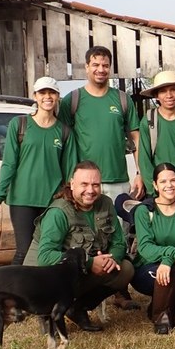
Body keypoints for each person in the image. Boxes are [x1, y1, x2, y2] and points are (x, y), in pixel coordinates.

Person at [58, 45, 143, 310]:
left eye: (105, 65)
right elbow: (61, 137)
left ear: (110, 67)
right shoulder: (72, 100)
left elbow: (137, 137)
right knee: (85, 236)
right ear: (87, 67)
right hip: (85, 184)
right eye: (95, 64)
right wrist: (69, 180)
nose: (100, 69)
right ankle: (83, 291)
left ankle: (119, 291)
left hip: (118, 178)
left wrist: (139, 173)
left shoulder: (122, 100)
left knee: (118, 236)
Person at [23, 160, 133, 332]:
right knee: (49, 287)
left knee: (125, 269)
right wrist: (90, 263)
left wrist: (112, 259)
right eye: (84, 184)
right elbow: (44, 257)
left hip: (74, 270)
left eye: (95, 184)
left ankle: (77, 308)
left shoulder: (105, 203)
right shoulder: (58, 212)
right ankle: (47, 312)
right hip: (44, 275)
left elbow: (119, 242)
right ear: (72, 184)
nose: (90, 190)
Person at [0, 76, 76, 264]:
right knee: (24, 251)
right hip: (22, 200)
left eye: (51, 92)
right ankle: (13, 292)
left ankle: (44, 292)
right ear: (35, 96)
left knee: (49, 250)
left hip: (52, 200)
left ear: (58, 96)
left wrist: (70, 198)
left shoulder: (64, 131)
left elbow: (70, 170)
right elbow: (9, 164)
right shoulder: (19, 125)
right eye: (42, 93)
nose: (47, 97)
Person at [131, 163, 175, 334]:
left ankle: (161, 302)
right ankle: (160, 317)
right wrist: (173, 253)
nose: (169, 185)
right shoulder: (144, 211)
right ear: (155, 185)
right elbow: (146, 247)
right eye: (163, 182)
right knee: (167, 273)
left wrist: (169, 259)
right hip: (148, 269)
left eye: (173, 180)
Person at [138, 71, 175, 202]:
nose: (169, 95)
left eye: (173, 90)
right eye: (163, 91)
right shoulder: (149, 120)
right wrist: (154, 191)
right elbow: (144, 159)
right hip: (160, 190)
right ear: (156, 95)